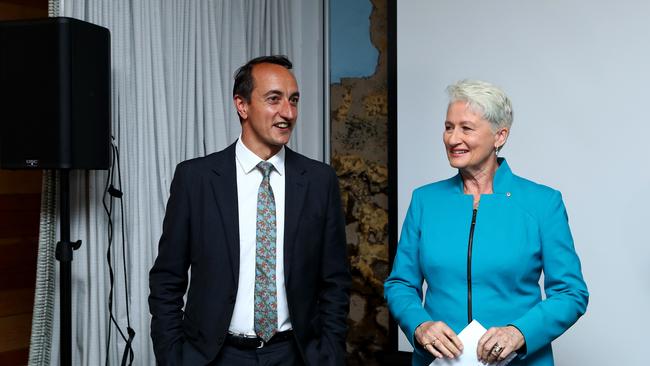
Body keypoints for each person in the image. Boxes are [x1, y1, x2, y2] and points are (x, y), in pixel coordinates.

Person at [149, 55, 350, 366]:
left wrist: (330, 355)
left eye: (293, 100)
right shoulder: (196, 179)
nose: (288, 112)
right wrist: (173, 357)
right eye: (274, 99)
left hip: (295, 355)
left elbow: (335, 281)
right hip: (215, 356)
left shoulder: (319, 181)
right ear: (241, 105)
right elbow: (167, 279)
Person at [384, 80, 588, 366]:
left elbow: (571, 293)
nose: (453, 138)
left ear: (499, 136)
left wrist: (519, 333)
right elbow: (400, 284)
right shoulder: (425, 201)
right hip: (439, 362)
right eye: (448, 127)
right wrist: (420, 326)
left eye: (466, 128)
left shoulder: (543, 203)